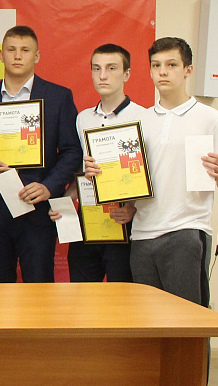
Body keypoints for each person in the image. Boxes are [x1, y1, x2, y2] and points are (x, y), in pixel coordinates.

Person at [94, 37, 218, 306]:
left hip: (186, 232)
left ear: (188, 70)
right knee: (149, 319)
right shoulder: (139, 121)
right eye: (156, 65)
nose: (162, 72)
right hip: (142, 234)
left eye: (171, 65)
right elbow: (135, 179)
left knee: (188, 318)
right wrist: (101, 173)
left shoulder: (211, 119)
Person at [0, 25, 80, 283]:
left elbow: (72, 151)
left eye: (25, 50)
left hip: (37, 207)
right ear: (1, 55)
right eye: (11, 50)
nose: (18, 56)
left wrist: (49, 187)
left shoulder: (58, 96)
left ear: (37, 56)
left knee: (39, 288)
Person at [50, 44, 143, 282]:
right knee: (82, 295)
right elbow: (79, 171)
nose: (103, 76)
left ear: (127, 74)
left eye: (111, 68)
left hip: (122, 222)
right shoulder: (83, 118)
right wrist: (65, 201)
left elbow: (150, 173)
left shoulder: (143, 117)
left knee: (121, 297)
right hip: (88, 221)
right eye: (96, 68)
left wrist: (133, 207)